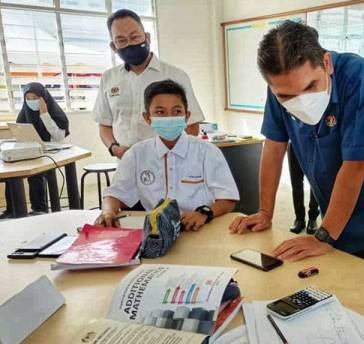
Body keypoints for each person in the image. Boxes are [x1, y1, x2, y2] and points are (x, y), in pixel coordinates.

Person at [229, 21, 364, 320]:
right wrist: (264, 211)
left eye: (310, 87)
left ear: (326, 63)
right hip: (336, 206)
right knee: (338, 293)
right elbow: (274, 147)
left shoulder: (360, 77)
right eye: (286, 96)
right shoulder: (280, 85)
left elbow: (355, 166)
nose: (299, 101)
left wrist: (323, 236)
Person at [95, 79, 239, 230]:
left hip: (199, 228)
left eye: (176, 111)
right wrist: (108, 211)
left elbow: (228, 198)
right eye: (160, 112)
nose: (169, 118)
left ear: (187, 116)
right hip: (156, 231)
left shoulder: (207, 152)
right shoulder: (136, 154)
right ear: (147, 118)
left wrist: (204, 213)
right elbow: (114, 194)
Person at [94, 9, 204, 160]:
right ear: (114, 47)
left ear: (147, 37)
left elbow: (192, 125)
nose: (130, 44)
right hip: (126, 162)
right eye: (121, 40)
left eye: (134, 37)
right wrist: (114, 149)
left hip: (168, 161)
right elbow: (104, 124)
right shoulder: (108, 78)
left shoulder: (176, 76)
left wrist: (173, 153)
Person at [0, 82, 69, 219]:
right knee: (11, 175)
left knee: (36, 175)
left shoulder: (54, 112)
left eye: (35, 98)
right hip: (30, 151)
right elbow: (20, 133)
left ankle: (39, 209)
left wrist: (44, 115)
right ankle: (12, 210)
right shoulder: (24, 113)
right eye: (28, 98)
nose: (31, 101)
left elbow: (59, 137)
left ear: (44, 98)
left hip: (49, 153)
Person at [287, 143, 319, 234]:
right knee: (296, 182)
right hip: (293, 142)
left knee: (314, 182)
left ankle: (313, 218)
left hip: (313, 141)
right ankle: (299, 219)